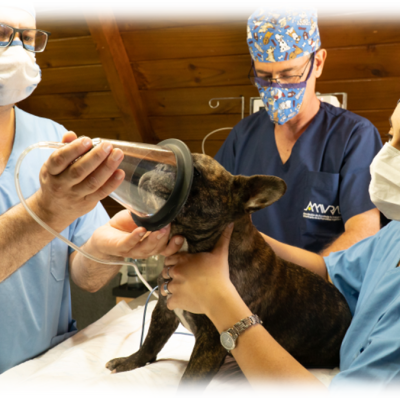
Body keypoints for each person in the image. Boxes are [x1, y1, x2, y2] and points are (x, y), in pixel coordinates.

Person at [160, 100, 400, 397]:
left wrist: (220, 299)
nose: (386, 155)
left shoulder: (350, 132)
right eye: (390, 136)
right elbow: (331, 268)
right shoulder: (396, 234)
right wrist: (239, 233)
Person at [0, 2, 184, 374]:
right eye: (2, 34)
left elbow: (83, 276)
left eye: (28, 38)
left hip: (36, 375)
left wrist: (107, 250)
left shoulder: (52, 139)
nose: (18, 51)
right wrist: (47, 211)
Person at [215, 4, 382, 256]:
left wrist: (300, 283)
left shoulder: (354, 137)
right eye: (264, 77)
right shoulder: (243, 137)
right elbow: (212, 210)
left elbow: (364, 234)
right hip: (246, 290)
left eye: (290, 75)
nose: (276, 89)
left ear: (318, 63)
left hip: (321, 289)